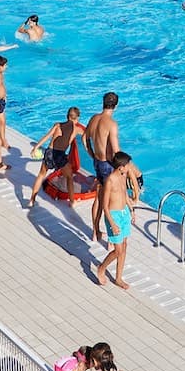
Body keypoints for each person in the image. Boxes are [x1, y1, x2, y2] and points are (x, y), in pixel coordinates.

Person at [92, 152, 141, 290]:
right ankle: (101, 268)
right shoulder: (110, 180)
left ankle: (118, 278)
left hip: (124, 212)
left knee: (124, 246)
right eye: (127, 165)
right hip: (114, 216)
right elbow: (105, 206)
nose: (129, 167)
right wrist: (112, 224)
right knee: (118, 250)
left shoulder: (123, 176)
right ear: (120, 167)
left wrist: (131, 210)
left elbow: (124, 194)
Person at [29, 107, 88, 208]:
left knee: (41, 175)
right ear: (77, 118)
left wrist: (36, 147)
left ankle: (32, 200)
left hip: (50, 152)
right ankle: (72, 202)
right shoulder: (77, 129)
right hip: (60, 155)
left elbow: (46, 137)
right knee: (69, 177)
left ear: (67, 116)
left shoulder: (57, 125)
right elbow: (87, 136)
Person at [86, 93, 123, 240]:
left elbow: (84, 138)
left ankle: (95, 231)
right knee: (110, 201)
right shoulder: (112, 124)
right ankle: (111, 240)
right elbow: (116, 151)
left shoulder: (94, 118)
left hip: (97, 162)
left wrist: (91, 154)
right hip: (108, 165)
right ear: (116, 105)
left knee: (99, 199)